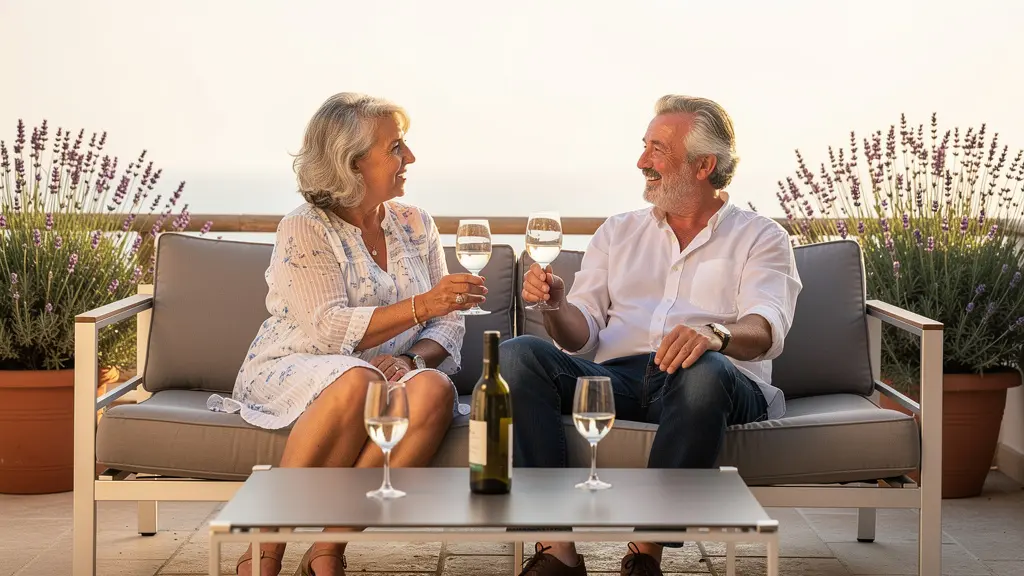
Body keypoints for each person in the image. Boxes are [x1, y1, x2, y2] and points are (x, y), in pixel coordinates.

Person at [501, 95, 802, 576]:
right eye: (644, 147)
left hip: (715, 384)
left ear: (703, 165)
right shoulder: (617, 232)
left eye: (657, 150)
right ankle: (557, 550)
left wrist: (715, 335)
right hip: (619, 379)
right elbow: (580, 334)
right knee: (517, 356)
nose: (642, 162)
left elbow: (766, 327)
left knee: (702, 371)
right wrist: (556, 306)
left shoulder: (762, 237)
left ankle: (645, 557)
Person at [207, 92, 487, 576]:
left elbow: (450, 320)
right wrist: (425, 303)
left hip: (389, 374)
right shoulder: (304, 227)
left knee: (434, 389)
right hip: (295, 365)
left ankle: (327, 550)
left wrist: (414, 360)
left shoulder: (415, 223)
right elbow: (328, 328)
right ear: (352, 163)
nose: (410, 158)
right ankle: (262, 556)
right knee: (359, 382)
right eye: (396, 148)